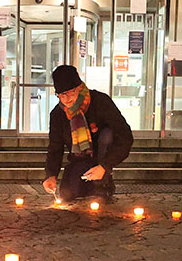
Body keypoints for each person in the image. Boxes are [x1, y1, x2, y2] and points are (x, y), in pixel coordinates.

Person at [41, 64, 133, 203]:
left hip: (101, 157)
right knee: (67, 194)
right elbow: (55, 147)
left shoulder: (100, 102)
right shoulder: (58, 114)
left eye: (71, 92)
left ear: (79, 87)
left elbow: (125, 136)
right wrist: (51, 175)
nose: (66, 99)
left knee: (107, 135)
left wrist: (105, 166)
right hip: (78, 159)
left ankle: (104, 184)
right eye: (61, 95)